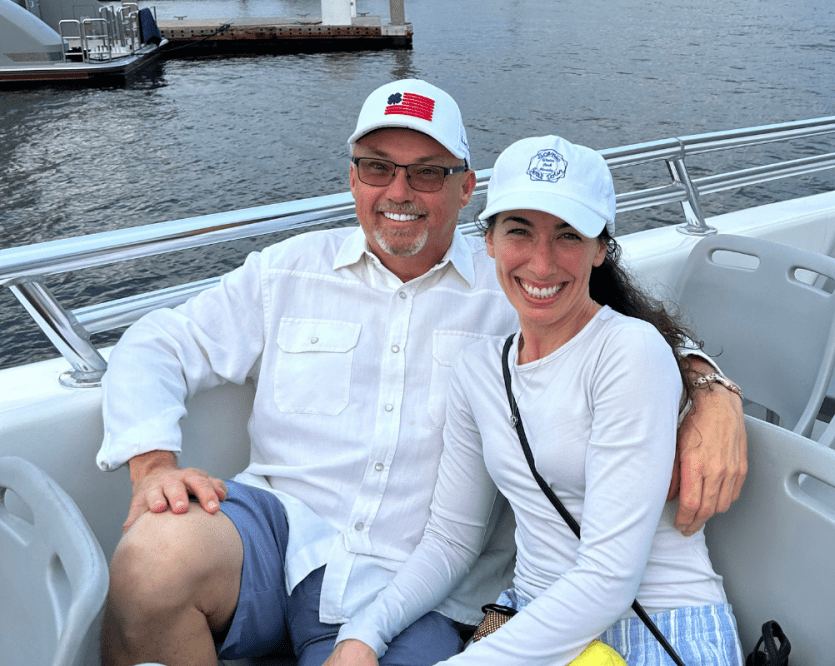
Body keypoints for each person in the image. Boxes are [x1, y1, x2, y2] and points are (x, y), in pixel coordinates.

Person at [97, 80, 747, 666]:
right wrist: (154, 468)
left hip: (423, 583)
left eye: (427, 173)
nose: (398, 192)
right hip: (279, 533)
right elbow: (158, 340)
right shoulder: (286, 270)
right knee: (152, 562)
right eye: (377, 167)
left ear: (467, 189)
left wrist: (711, 388)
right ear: (353, 177)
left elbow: (630, 329)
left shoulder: (518, 285)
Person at [328, 136, 742, 666]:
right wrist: (364, 634)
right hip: (532, 618)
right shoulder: (478, 370)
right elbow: (452, 541)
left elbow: (609, 578)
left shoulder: (628, 352)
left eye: (568, 236)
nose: (542, 264)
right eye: (519, 231)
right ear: (491, 242)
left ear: (600, 249)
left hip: (655, 627)